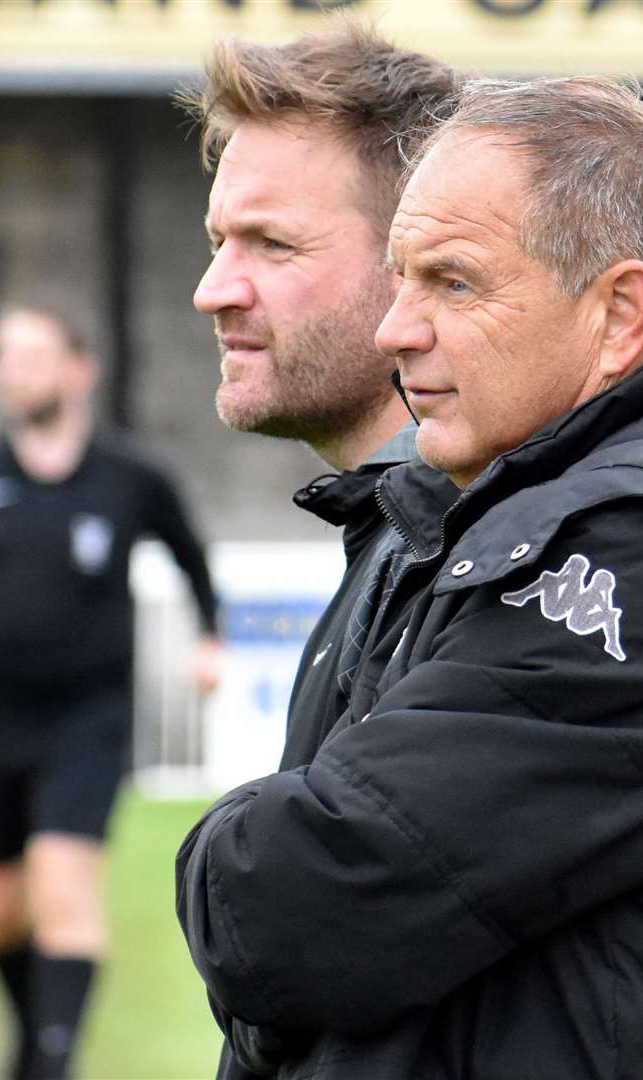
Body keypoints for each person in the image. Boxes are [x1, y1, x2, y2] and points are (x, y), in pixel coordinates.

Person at [176, 78, 643, 1078]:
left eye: (451, 282)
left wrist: (230, 839)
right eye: (400, 277)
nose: (395, 330)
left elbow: (287, 914)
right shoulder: (508, 511)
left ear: (620, 313)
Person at [0, 303, 222, 1080]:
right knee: (1, 914)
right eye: (5, 357)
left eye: (32, 356)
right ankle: (36, 1037)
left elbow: (192, 557)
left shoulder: (131, 478)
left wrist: (207, 635)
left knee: (65, 892)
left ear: (78, 368)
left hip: (88, 717)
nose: (14, 373)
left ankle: (48, 1065)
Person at [176, 25, 462, 775]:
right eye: (218, 242)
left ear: (414, 265)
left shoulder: (481, 555)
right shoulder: (404, 526)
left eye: (271, 244)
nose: (213, 292)